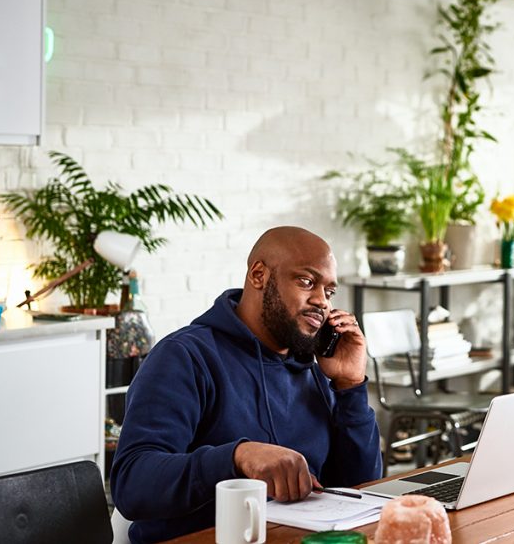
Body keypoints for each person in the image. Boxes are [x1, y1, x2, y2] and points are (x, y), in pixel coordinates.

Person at [111, 227, 382, 543]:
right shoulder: (184, 357)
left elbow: (360, 489)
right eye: (307, 282)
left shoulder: (315, 368)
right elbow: (132, 484)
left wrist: (349, 386)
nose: (322, 301)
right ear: (259, 275)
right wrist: (237, 457)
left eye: (329, 291)